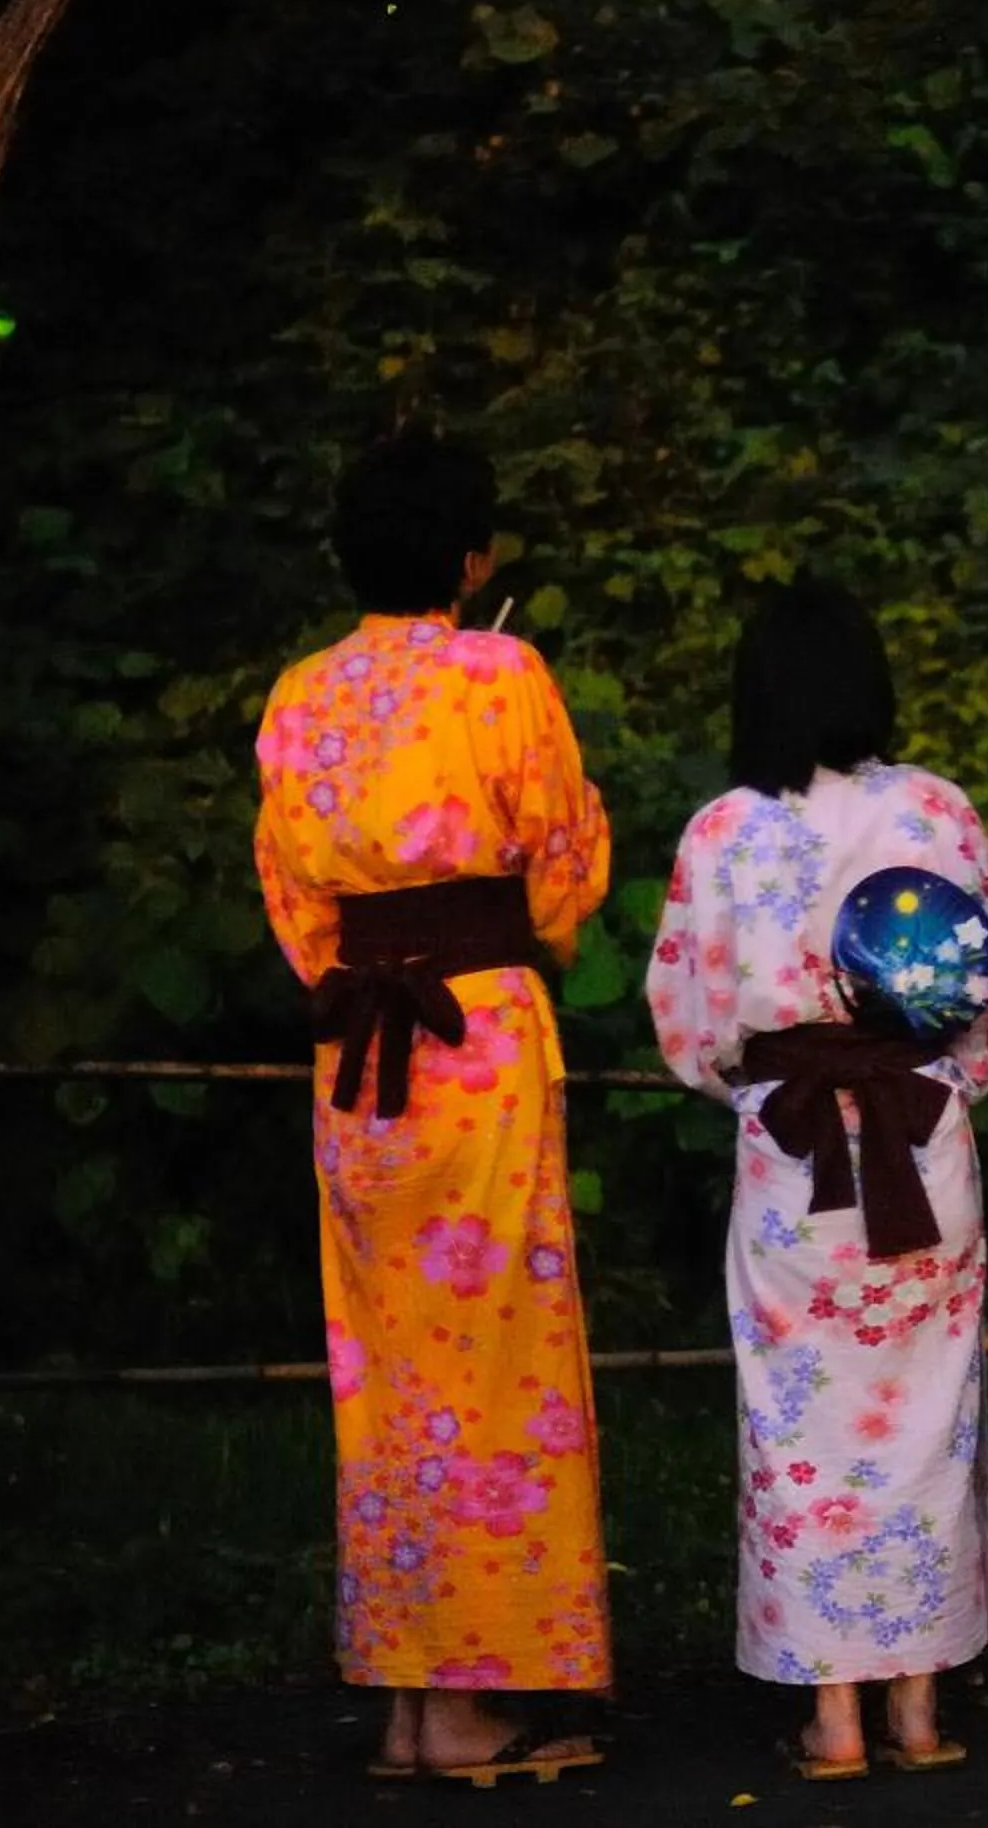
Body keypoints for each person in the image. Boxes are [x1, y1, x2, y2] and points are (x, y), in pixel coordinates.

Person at [251, 434, 614, 1785]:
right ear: (473, 560)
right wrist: (549, 930)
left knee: (385, 1374)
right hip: (476, 1040)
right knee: (498, 1365)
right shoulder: (498, 672)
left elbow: (296, 906)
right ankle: (464, 1706)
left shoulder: (300, 693)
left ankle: (408, 1701)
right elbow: (565, 859)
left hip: (358, 1055)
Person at [644, 573, 988, 1780]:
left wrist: (760, 1086)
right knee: (924, 1422)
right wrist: (948, 1082)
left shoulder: (722, 832)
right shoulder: (941, 814)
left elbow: (690, 1030)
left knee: (797, 1428)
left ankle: (836, 1717)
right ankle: (918, 1706)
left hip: (792, 1157)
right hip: (922, 1141)